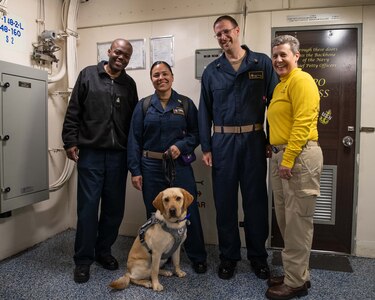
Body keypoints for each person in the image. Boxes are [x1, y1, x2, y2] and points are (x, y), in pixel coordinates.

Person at [198, 15, 279, 280]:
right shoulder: (212, 71)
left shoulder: (262, 63)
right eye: (217, 34)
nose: (222, 38)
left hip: (254, 142)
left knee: (256, 202)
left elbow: (275, 106)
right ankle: (228, 257)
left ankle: (258, 257)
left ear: (237, 30)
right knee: (225, 203)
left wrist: (270, 139)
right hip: (222, 145)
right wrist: (207, 147)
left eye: (225, 32)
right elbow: (204, 112)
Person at [62, 38, 138, 284]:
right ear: (108, 51)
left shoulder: (129, 84)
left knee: (114, 210)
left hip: (118, 156)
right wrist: (70, 142)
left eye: (126, 55)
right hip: (91, 154)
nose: (121, 58)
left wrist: (133, 154)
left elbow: (133, 122)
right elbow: (74, 111)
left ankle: (103, 251)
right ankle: (83, 261)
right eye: (118, 52)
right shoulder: (88, 76)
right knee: (87, 210)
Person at [127, 61, 208, 274]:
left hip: (178, 166)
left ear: (172, 77)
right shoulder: (143, 105)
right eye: (156, 75)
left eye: (165, 74)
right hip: (150, 167)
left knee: (187, 212)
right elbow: (134, 140)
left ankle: (197, 256)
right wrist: (135, 170)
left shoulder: (186, 104)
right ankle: (161, 256)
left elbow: (197, 134)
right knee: (156, 214)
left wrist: (181, 146)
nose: (160, 78)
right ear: (151, 79)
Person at [265, 35, 323, 300]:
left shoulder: (301, 80)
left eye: (283, 55)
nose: (278, 60)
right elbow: (281, 123)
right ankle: (296, 274)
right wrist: (273, 148)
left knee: (298, 223)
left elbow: (302, 122)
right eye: (275, 55)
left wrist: (287, 159)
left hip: (298, 157)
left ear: (296, 56)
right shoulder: (281, 85)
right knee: (287, 223)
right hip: (282, 157)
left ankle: (296, 283)